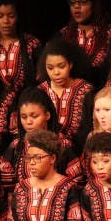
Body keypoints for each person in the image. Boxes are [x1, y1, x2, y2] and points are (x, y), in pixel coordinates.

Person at [4, 86, 81, 188]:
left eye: (34, 116)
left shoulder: (63, 144)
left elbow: (77, 182)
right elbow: (9, 188)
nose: (28, 122)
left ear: (47, 115)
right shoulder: (16, 146)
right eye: (24, 117)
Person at [38, 37, 95, 168]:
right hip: (47, 159)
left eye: (61, 66)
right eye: (50, 68)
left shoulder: (85, 90)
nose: (56, 72)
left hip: (81, 159)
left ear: (70, 64)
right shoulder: (41, 92)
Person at [57, 0, 111, 87]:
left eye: (83, 2)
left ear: (95, 4)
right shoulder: (63, 35)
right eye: (73, 2)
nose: (77, 6)